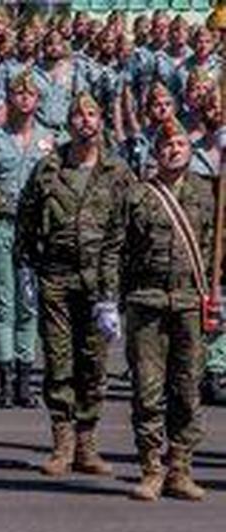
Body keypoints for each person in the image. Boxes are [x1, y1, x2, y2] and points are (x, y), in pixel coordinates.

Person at [16, 93, 134, 477]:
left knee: (94, 361)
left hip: (101, 281)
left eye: (91, 114)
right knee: (58, 359)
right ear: (67, 123)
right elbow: (27, 219)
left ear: (100, 121)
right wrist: (28, 269)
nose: (85, 121)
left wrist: (120, 290)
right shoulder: (48, 168)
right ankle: (62, 442)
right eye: (77, 115)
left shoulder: (117, 171)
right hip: (57, 278)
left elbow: (130, 229)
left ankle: (87, 442)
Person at [115, 119, 212, 501]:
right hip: (147, 301)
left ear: (190, 151)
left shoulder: (205, 194)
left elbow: (210, 249)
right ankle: (151, 467)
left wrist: (212, 296)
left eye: (180, 144)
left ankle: (180, 468)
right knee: (148, 389)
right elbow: (118, 248)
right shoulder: (138, 195)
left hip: (189, 302)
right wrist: (112, 299)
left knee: (188, 387)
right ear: (156, 152)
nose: (173, 150)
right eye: (166, 144)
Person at [0, 71, 56, 408]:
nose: (23, 98)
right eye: (17, 93)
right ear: (8, 98)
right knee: (4, 302)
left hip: (35, 229)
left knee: (29, 303)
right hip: (2, 225)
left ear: (37, 100)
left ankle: (25, 377)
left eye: (29, 93)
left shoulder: (49, 140)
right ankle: (5, 379)